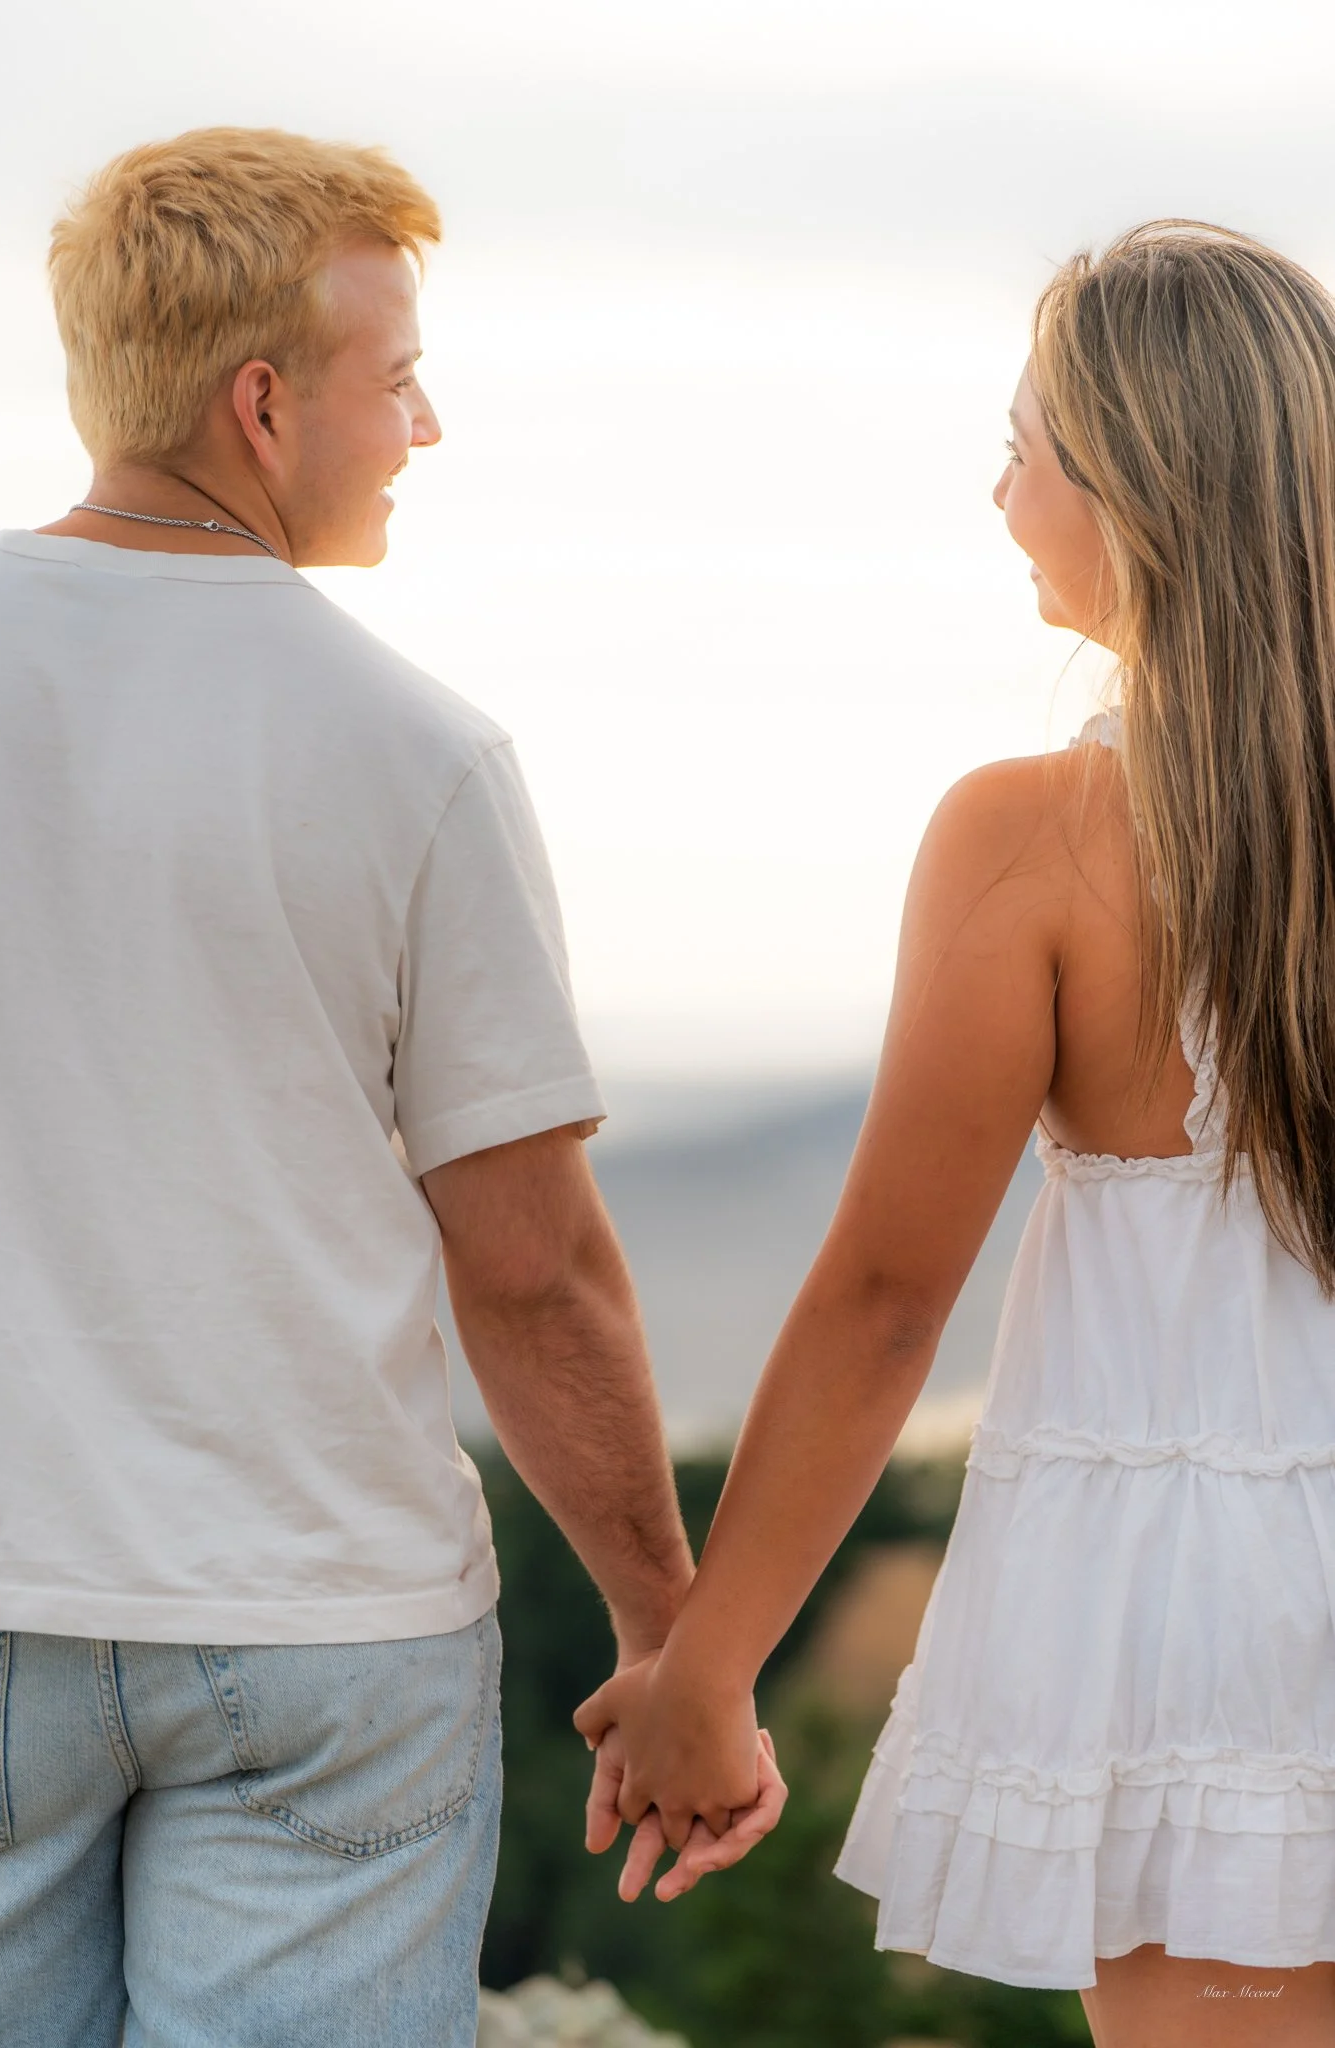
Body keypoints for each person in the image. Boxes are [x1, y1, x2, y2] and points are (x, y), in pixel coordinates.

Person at [0, 126, 782, 2047]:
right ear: (263, 404)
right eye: (397, 379)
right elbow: (531, 1269)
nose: (425, 428)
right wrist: (667, 1626)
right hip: (322, 1640)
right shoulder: (415, 751)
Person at [579, 221, 1335, 2045]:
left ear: (1137, 489)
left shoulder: (1033, 838)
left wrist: (708, 1664)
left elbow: (886, 1299)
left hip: (1199, 1635)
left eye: (1023, 445)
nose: (998, 491)